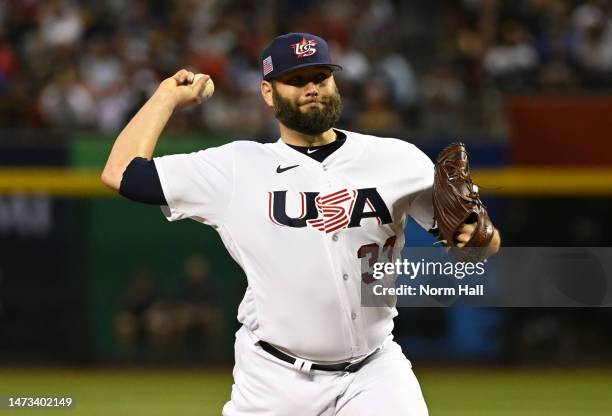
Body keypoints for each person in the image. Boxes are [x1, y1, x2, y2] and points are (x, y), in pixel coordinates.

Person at [102, 32, 501, 415]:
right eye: (295, 80)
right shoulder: (236, 167)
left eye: (320, 77)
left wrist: (479, 239)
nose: (312, 88)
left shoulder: (397, 159)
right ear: (268, 92)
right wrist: (167, 97)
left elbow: (477, 246)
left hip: (374, 371)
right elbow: (121, 173)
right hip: (274, 379)